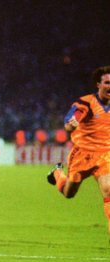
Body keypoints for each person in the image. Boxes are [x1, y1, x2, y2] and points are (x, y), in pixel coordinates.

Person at [47, 65, 110, 237]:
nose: (109, 86)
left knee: (108, 189)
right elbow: (71, 119)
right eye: (107, 83)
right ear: (98, 84)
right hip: (82, 154)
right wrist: (70, 124)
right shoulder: (87, 103)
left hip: (105, 154)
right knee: (69, 193)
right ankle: (57, 173)